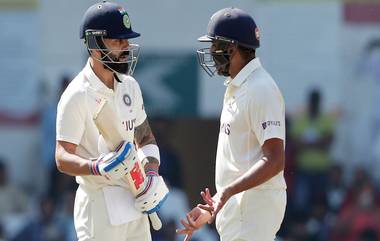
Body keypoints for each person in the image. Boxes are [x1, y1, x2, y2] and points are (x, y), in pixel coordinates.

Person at [55, 1, 169, 241]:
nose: (126, 47)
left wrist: (151, 172)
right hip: (99, 206)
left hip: (135, 200)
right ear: (95, 44)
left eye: (127, 40)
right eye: (118, 40)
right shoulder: (77, 94)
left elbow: (144, 136)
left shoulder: (130, 86)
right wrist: (96, 166)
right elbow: (62, 157)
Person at [177, 7, 286, 241]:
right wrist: (217, 201)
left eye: (214, 46)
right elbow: (240, 163)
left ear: (231, 48)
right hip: (241, 210)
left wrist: (226, 193)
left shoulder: (260, 89)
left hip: (253, 211)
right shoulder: (239, 86)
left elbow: (275, 160)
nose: (211, 53)